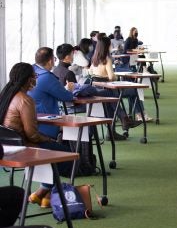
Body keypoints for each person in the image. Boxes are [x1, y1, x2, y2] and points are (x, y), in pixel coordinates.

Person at [0, 63, 72, 208]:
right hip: (23, 147)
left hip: (7, 146)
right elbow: (32, 135)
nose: (36, 79)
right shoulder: (25, 100)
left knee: (53, 149)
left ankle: (45, 194)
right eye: (34, 76)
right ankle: (44, 192)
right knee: (66, 154)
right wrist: (48, 138)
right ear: (28, 79)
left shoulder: (6, 95)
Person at [89, 36, 153, 123]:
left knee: (131, 91)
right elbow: (111, 77)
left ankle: (133, 115)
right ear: (106, 46)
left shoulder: (94, 59)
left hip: (99, 90)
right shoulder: (107, 60)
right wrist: (116, 76)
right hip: (110, 91)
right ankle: (140, 115)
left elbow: (91, 72)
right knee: (134, 91)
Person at [28, 47, 75, 139]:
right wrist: (69, 90)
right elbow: (67, 97)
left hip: (32, 121)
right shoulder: (47, 77)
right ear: (50, 61)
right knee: (79, 129)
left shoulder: (30, 72)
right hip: (45, 124)